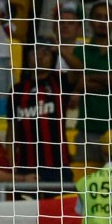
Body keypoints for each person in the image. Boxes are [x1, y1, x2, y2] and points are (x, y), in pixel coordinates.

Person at [70, 1, 112, 164]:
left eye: (108, 17)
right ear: (90, 21)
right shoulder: (79, 51)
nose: (103, 21)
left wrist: (91, 77)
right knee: (85, 184)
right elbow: (78, 85)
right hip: (89, 127)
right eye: (98, 17)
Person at [11, 39, 72, 186]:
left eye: (45, 52)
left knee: (60, 209)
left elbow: (80, 69)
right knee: (26, 210)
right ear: (27, 57)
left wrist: (59, 48)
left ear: (52, 57)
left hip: (58, 167)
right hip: (26, 168)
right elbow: (11, 132)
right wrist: (11, 166)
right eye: (35, 52)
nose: (40, 56)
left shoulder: (60, 82)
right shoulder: (17, 90)